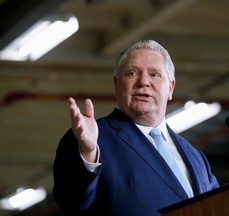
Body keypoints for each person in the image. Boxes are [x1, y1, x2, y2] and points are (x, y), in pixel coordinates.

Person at [53, 39, 219, 216]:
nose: (144, 82)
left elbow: (220, 206)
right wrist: (88, 153)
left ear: (170, 88)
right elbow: (71, 201)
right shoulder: (91, 139)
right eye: (132, 73)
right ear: (116, 85)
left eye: (155, 74)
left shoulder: (196, 157)